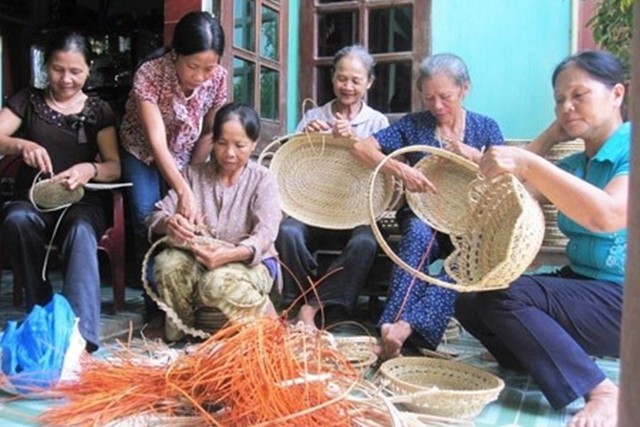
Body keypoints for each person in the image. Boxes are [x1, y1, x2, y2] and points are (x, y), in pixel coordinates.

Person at [455, 50, 627, 427]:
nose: (567, 107)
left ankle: (602, 392)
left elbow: (608, 215)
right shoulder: (576, 163)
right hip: (586, 287)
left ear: (617, 94)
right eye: (560, 100)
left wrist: (530, 162)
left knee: (506, 296)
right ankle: (547, 361)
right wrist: (549, 137)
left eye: (578, 95)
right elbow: (504, 198)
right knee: (470, 298)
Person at [351, 53, 504, 358]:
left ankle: (405, 326)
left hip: (471, 222)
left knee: (471, 258)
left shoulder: (486, 128)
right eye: (429, 97)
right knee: (418, 236)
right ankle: (392, 327)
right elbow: (362, 146)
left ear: (465, 89)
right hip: (424, 214)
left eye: (445, 97)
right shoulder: (413, 124)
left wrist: (476, 157)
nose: (436, 106)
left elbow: (508, 177)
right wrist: (401, 169)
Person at [0, 28, 121, 352]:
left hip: (81, 203)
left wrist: (89, 169)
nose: (66, 79)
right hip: (33, 201)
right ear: (46, 66)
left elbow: (115, 166)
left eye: (75, 71)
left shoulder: (98, 110)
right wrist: (20, 144)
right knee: (16, 220)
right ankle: (40, 310)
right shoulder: (27, 101)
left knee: (81, 231)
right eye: (57, 69)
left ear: (89, 68)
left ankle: (81, 336)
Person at [147, 102, 282, 341]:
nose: (229, 153)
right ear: (213, 141)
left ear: (253, 143)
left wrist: (228, 255)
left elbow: (266, 234)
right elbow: (156, 215)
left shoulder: (263, 180)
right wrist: (170, 222)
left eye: (239, 145)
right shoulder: (193, 175)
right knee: (167, 264)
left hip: (249, 264)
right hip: (200, 261)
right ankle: (182, 335)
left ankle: (268, 330)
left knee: (216, 281)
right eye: (221, 143)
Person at [275, 45, 389, 328]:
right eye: (341, 78)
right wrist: (303, 138)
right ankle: (296, 302)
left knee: (365, 241)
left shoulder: (377, 122)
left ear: (369, 83)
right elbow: (292, 168)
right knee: (288, 232)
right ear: (332, 78)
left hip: (356, 213)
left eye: (355, 80)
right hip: (314, 209)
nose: (347, 86)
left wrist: (357, 142)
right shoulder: (314, 117)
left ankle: (314, 307)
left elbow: (387, 175)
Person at [119, 11, 227, 296]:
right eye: (194, 66)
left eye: (209, 67)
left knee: (184, 221)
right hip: (141, 150)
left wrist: (190, 178)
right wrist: (183, 189)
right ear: (176, 53)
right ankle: (153, 302)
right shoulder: (150, 74)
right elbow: (155, 141)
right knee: (149, 219)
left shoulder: (217, 79)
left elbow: (208, 133)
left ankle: (181, 295)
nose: (201, 77)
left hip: (184, 151)